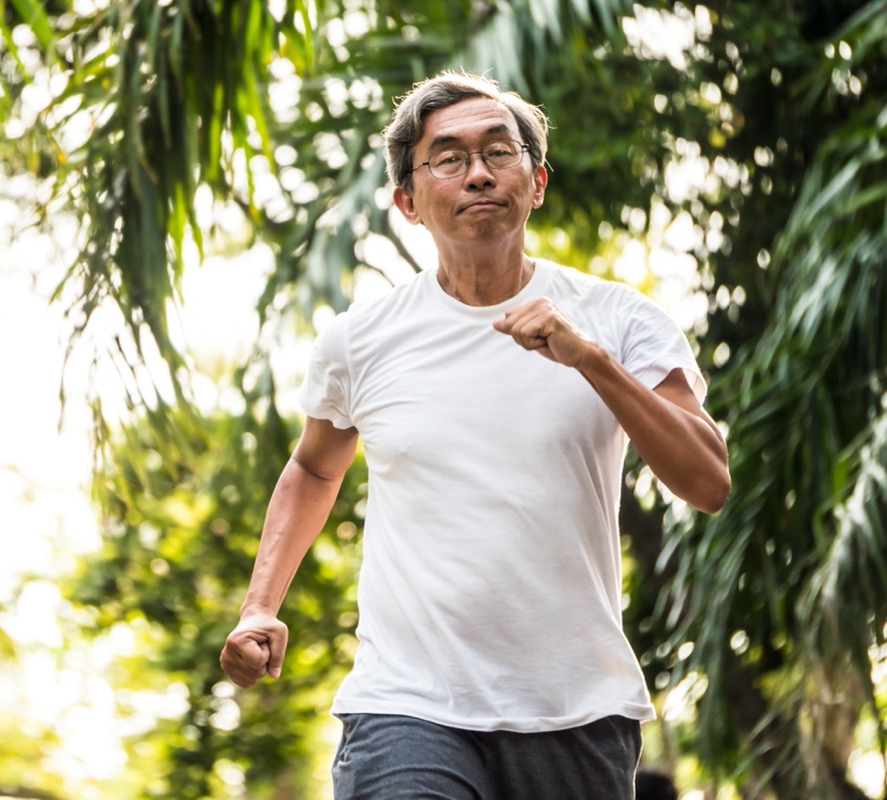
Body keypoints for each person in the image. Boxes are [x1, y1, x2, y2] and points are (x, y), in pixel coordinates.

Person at [219, 70, 730, 799]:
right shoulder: (361, 341)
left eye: (500, 151)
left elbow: (707, 481)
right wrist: (260, 606)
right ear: (408, 201)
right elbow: (313, 469)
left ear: (537, 180)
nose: (480, 174)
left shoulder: (620, 320)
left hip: (575, 710)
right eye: (449, 158)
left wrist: (590, 360)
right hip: (407, 701)